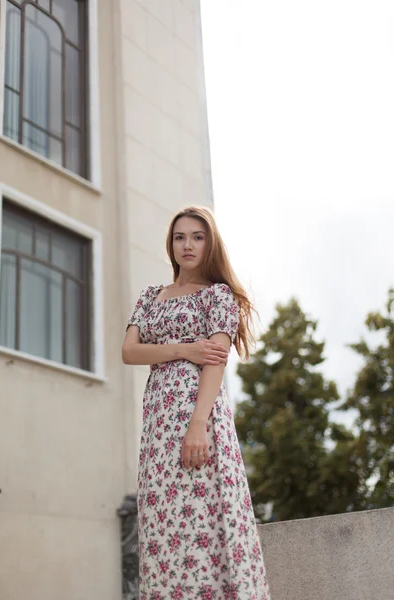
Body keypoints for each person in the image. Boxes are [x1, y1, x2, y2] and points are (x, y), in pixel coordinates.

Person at [122, 206, 271, 600]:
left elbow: (214, 365)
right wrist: (185, 348)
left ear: (210, 243)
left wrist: (197, 426)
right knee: (161, 523)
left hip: (198, 419)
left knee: (203, 520)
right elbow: (129, 352)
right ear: (170, 245)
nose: (188, 245)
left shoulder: (219, 296)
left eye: (198, 236)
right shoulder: (151, 296)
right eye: (180, 237)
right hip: (158, 427)